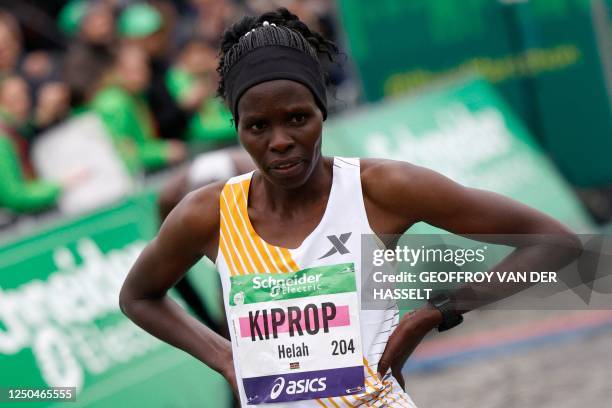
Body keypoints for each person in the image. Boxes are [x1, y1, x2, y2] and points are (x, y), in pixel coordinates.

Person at [119, 8, 581, 407]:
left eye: (298, 118)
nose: (280, 142)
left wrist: (434, 312)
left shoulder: (380, 189)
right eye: (258, 126)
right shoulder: (212, 212)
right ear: (237, 127)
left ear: (323, 111)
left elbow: (556, 244)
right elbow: (138, 297)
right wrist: (225, 359)